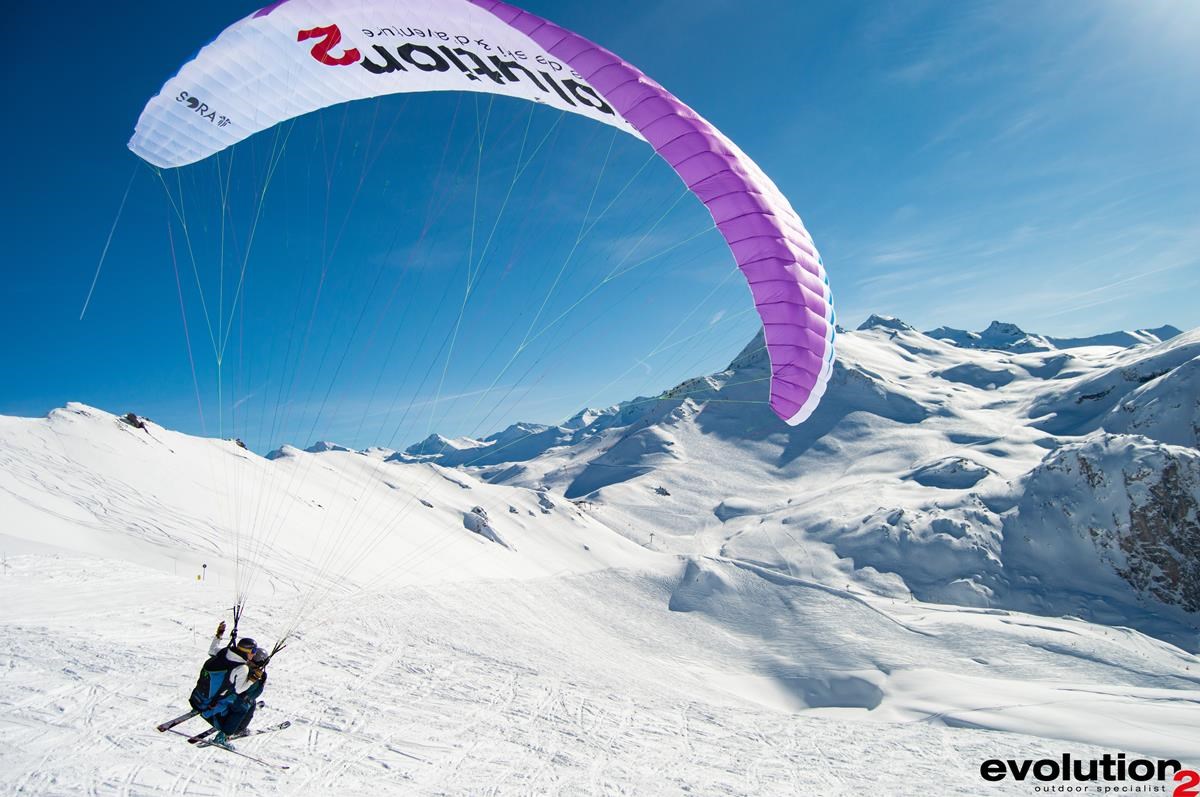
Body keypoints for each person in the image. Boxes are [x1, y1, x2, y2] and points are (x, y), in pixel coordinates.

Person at [189, 620, 259, 742]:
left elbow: (212, 650)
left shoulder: (225, 652)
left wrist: (219, 635)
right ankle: (224, 735)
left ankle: (205, 706)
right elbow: (239, 689)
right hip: (211, 702)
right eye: (253, 651)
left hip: (198, 697)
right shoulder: (242, 668)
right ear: (248, 652)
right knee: (243, 707)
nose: (254, 655)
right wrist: (253, 679)